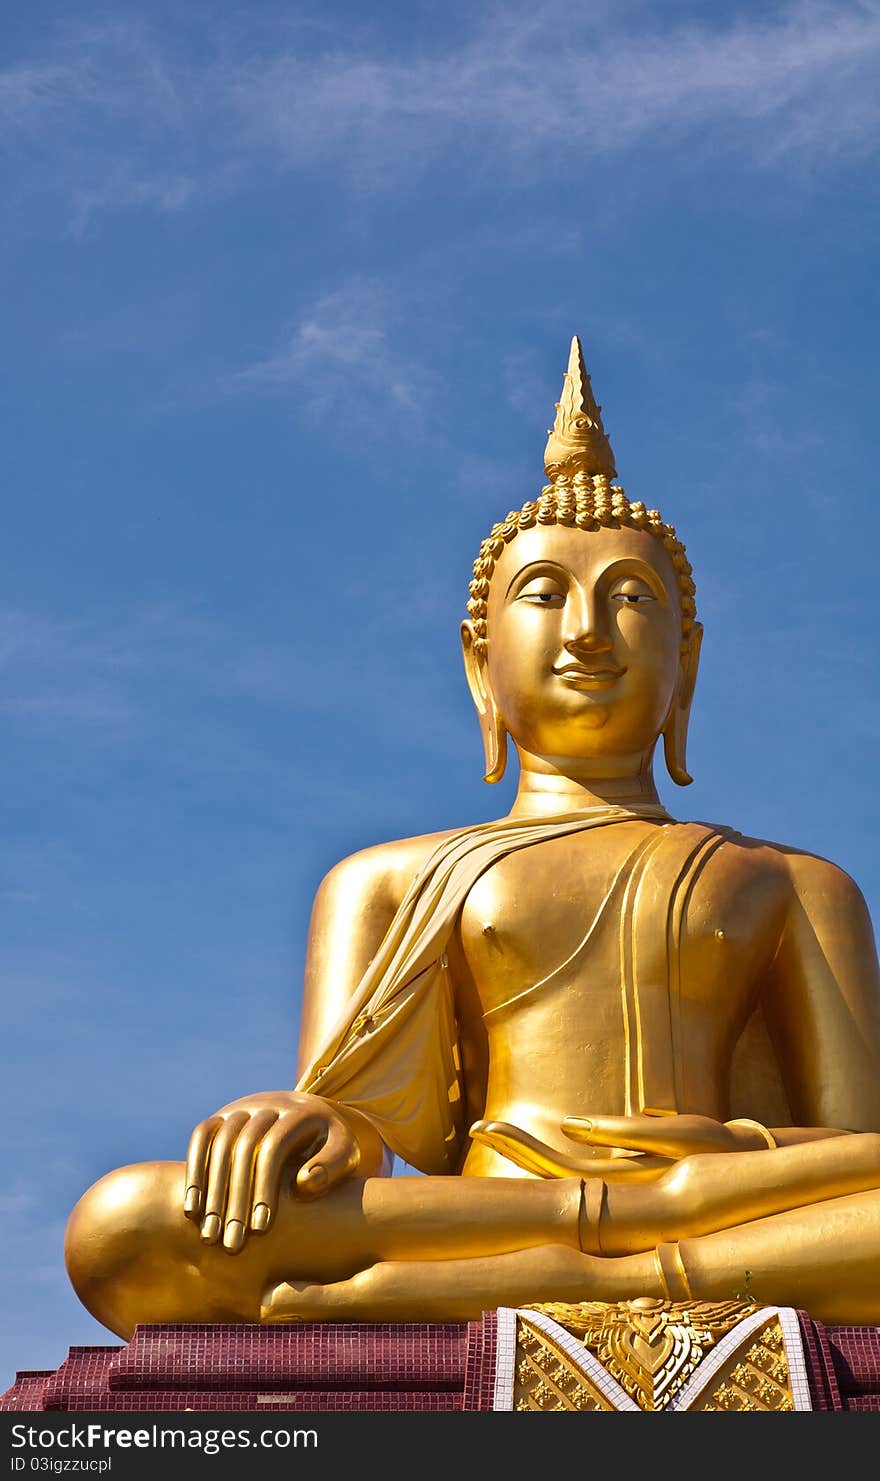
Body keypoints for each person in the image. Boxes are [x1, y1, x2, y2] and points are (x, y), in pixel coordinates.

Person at [65, 338, 880, 1339]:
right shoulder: (383, 879)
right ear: (477, 663)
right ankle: (655, 1258)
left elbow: (852, 1146)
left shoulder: (792, 882)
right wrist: (303, 1123)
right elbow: (355, 1144)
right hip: (492, 1208)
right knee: (127, 1223)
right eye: (543, 594)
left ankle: (579, 1270)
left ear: (688, 660)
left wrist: (703, 1169)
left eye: (632, 597)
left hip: (712, 1196)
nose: (587, 629)